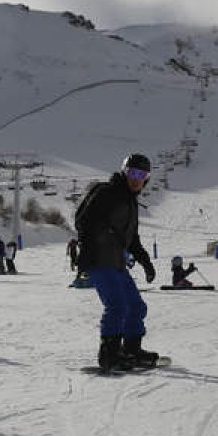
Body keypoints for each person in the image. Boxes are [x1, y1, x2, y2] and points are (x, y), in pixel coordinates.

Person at [74, 153, 159, 373]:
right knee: (117, 306)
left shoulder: (131, 203)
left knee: (137, 306)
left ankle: (132, 350)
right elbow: (82, 220)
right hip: (99, 259)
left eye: (141, 175)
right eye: (132, 172)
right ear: (124, 171)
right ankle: (109, 355)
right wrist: (94, 241)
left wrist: (145, 260)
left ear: (147, 178)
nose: (136, 178)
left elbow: (132, 239)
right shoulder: (106, 192)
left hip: (116, 262)